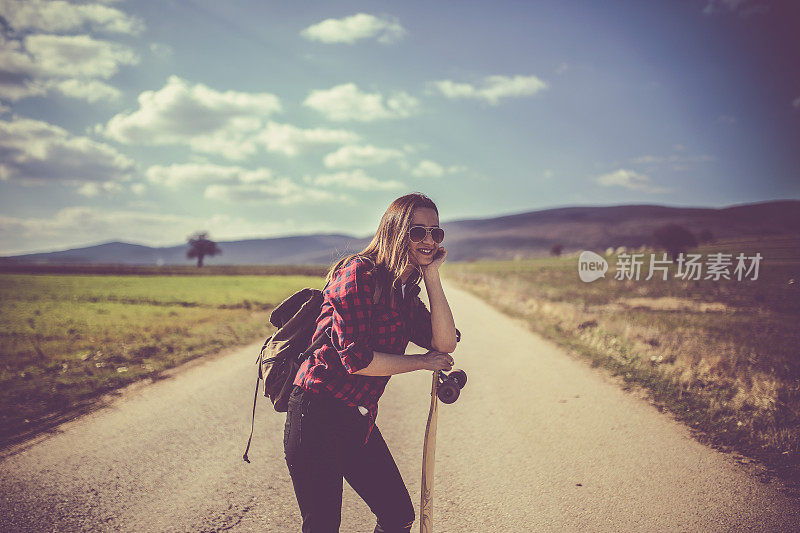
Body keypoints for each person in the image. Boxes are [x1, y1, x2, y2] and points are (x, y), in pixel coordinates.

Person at [284, 192, 459, 533]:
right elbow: (357, 360)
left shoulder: (405, 289)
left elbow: (446, 342)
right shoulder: (358, 273)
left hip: (355, 417)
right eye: (417, 232)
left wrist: (433, 276)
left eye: (435, 233)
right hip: (315, 414)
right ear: (395, 230)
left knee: (397, 515)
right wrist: (423, 362)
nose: (428, 241)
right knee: (322, 526)